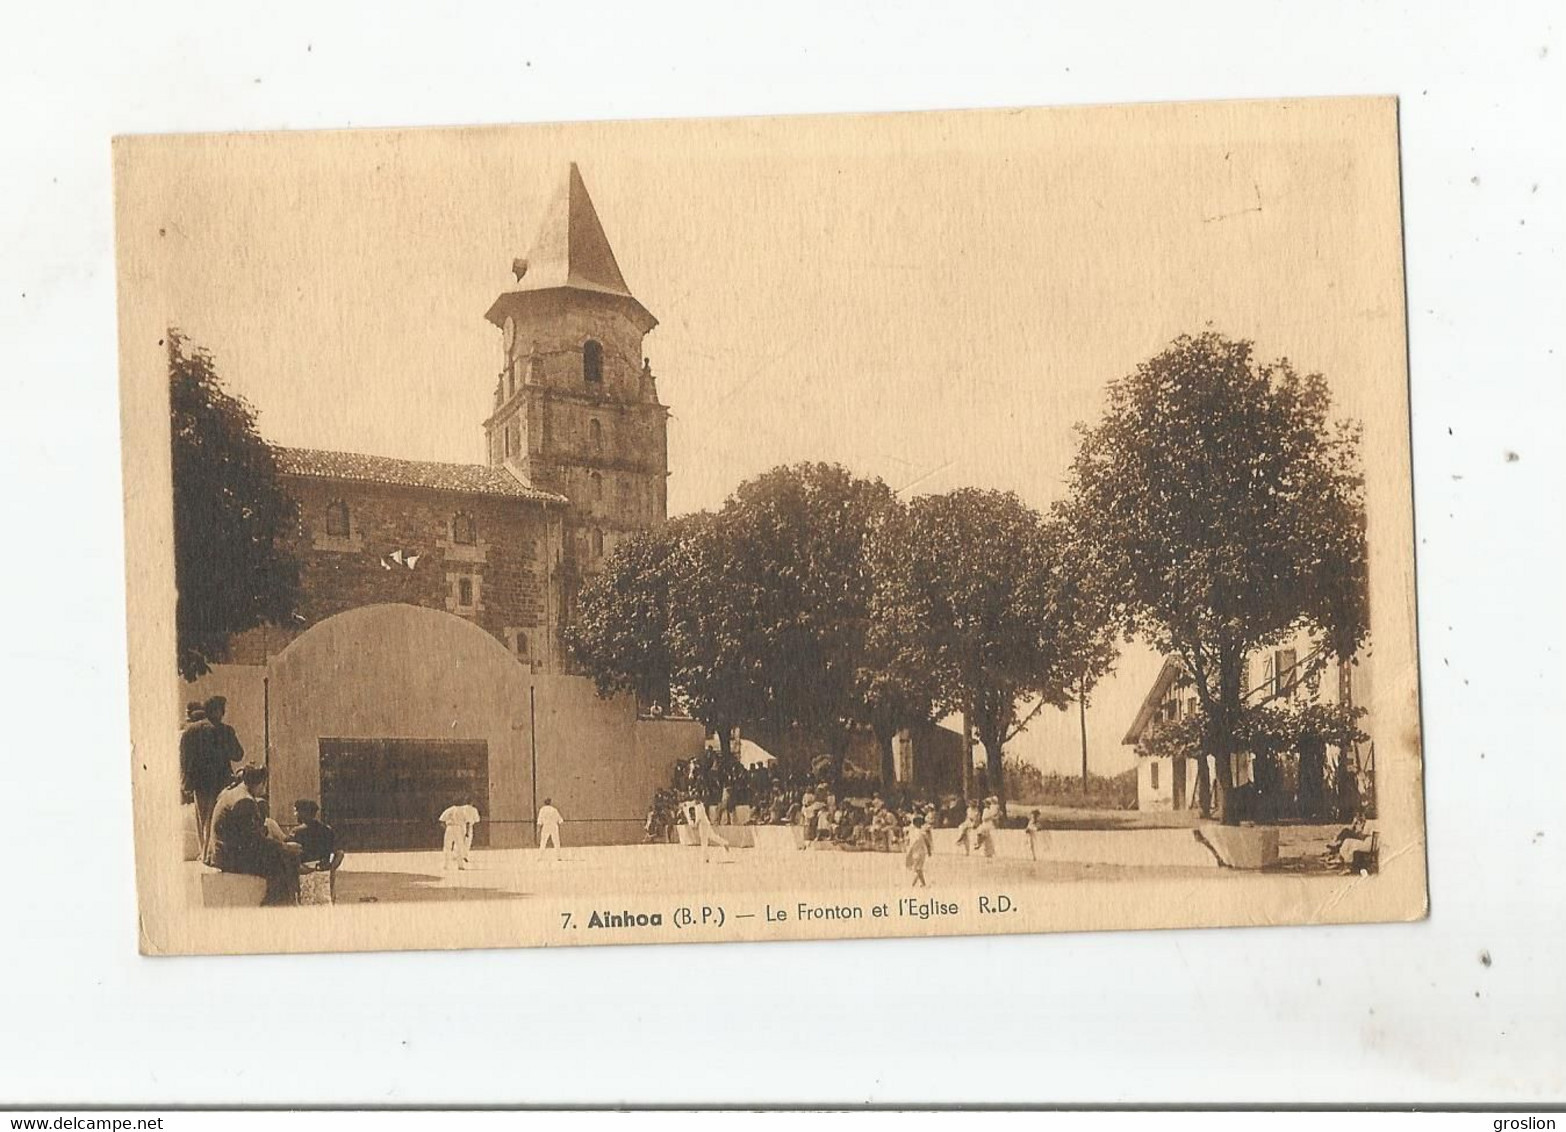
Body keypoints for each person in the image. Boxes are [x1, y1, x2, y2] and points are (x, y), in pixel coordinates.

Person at [208, 766, 301, 906]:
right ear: (261, 782)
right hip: (230, 858)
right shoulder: (244, 801)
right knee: (283, 860)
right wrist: (284, 846)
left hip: (223, 853)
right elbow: (254, 842)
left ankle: (283, 900)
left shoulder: (231, 792)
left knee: (280, 854)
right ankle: (277, 904)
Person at [289, 800, 337, 868]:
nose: (295, 814)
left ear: (304, 812)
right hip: (322, 868)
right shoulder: (327, 830)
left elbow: (288, 851)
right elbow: (338, 853)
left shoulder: (297, 831)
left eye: (296, 811)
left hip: (304, 869)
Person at [439, 798, 480, 871]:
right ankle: (460, 865)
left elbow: (441, 820)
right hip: (459, 828)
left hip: (449, 827)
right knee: (459, 847)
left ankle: (445, 865)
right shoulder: (463, 811)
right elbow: (467, 822)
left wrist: (447, 828)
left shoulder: (450, 809)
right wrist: (467, 832)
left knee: (447, 847)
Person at [905, 814, 933, 887]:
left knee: (917, 869)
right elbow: (927, 842)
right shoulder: (922, 833)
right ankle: (913, 884)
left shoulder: (911, 832)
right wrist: (929, 851)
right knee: (918, 869)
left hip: (914, 852)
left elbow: (907, 842)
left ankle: (922, 884)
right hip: (921, 852)